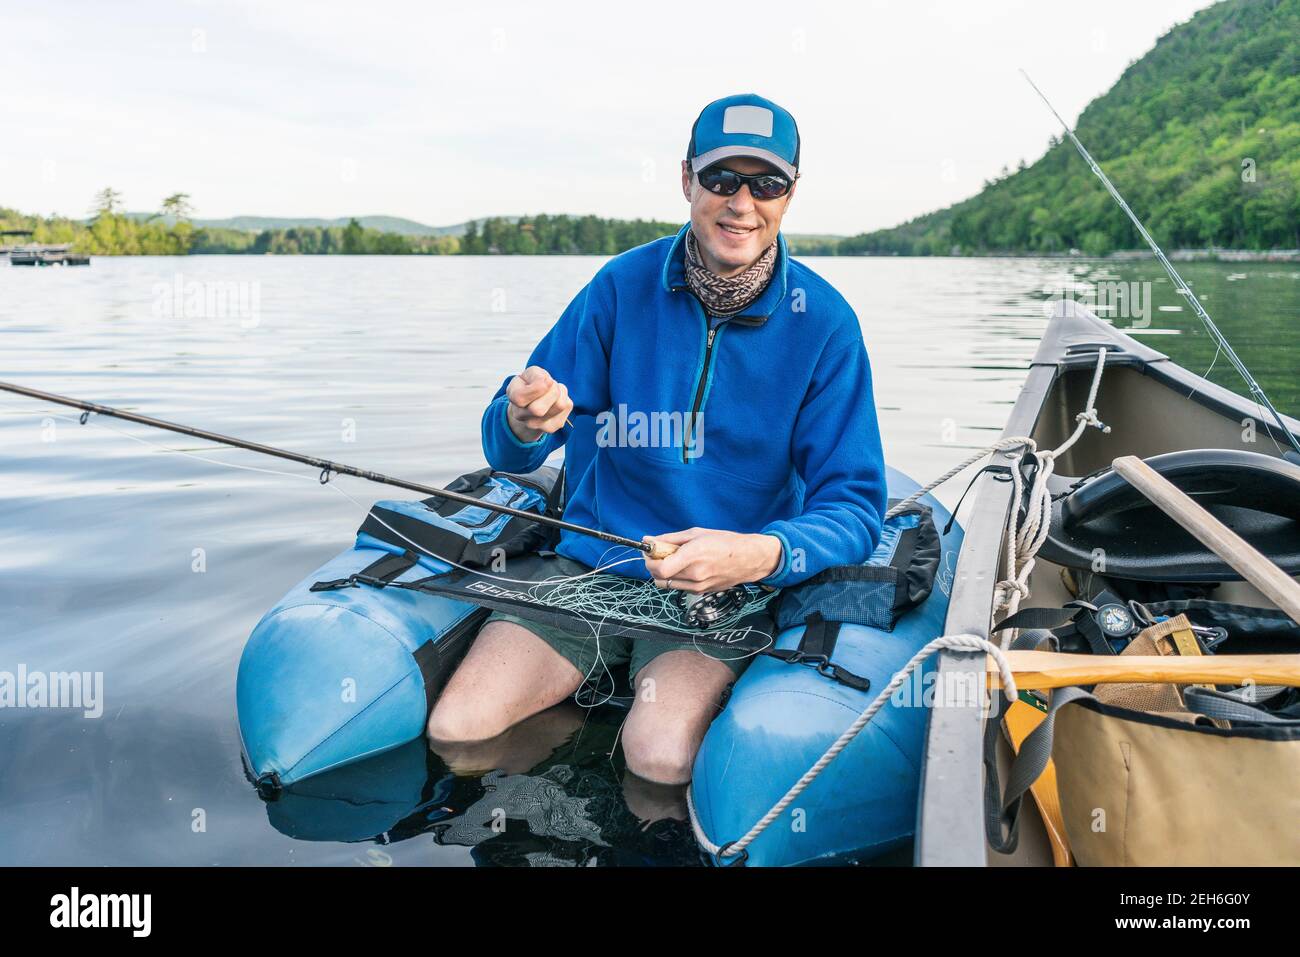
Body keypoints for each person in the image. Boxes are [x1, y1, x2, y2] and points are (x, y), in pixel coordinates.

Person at [428, 93, 887, 788]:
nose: (742, 202)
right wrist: (523, 420)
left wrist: (760, 552)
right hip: (589, 568)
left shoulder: (825, 323)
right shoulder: (618, 287)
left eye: (766, 183)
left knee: (660, 754)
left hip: (726, 594)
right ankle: (569, 758)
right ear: (686, 180)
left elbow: (854, 508)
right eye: (721, 178)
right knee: (457, 729)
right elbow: (509, 447)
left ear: (791, 194)